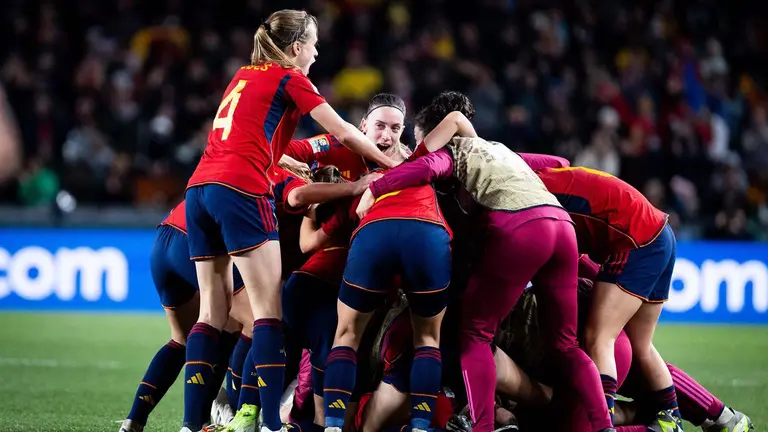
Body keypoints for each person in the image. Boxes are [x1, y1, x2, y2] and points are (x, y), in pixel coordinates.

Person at [181, 9, 397, 432]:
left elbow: (257, 142)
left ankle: (191, 425)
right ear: (296, 48)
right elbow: (348, 133)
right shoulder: (291, 78)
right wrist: (391, 165)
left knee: (210, 314)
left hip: (199, 188)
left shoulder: (243, 75)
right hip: (240, 190)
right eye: (313, 44)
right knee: (268, 315)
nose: (317, 52)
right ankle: (270, 427)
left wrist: (299, 170)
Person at [357, 91, 614, 432]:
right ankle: (604, 426)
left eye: (423, 140)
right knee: (565, 345)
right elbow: (558, 162)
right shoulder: (501, 149)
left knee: (475, 335)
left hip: (520, 227)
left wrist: (375, 189)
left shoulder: (452, 153)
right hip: (561, 226)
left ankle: (482, 426)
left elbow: (425, 167)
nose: (422, 148)